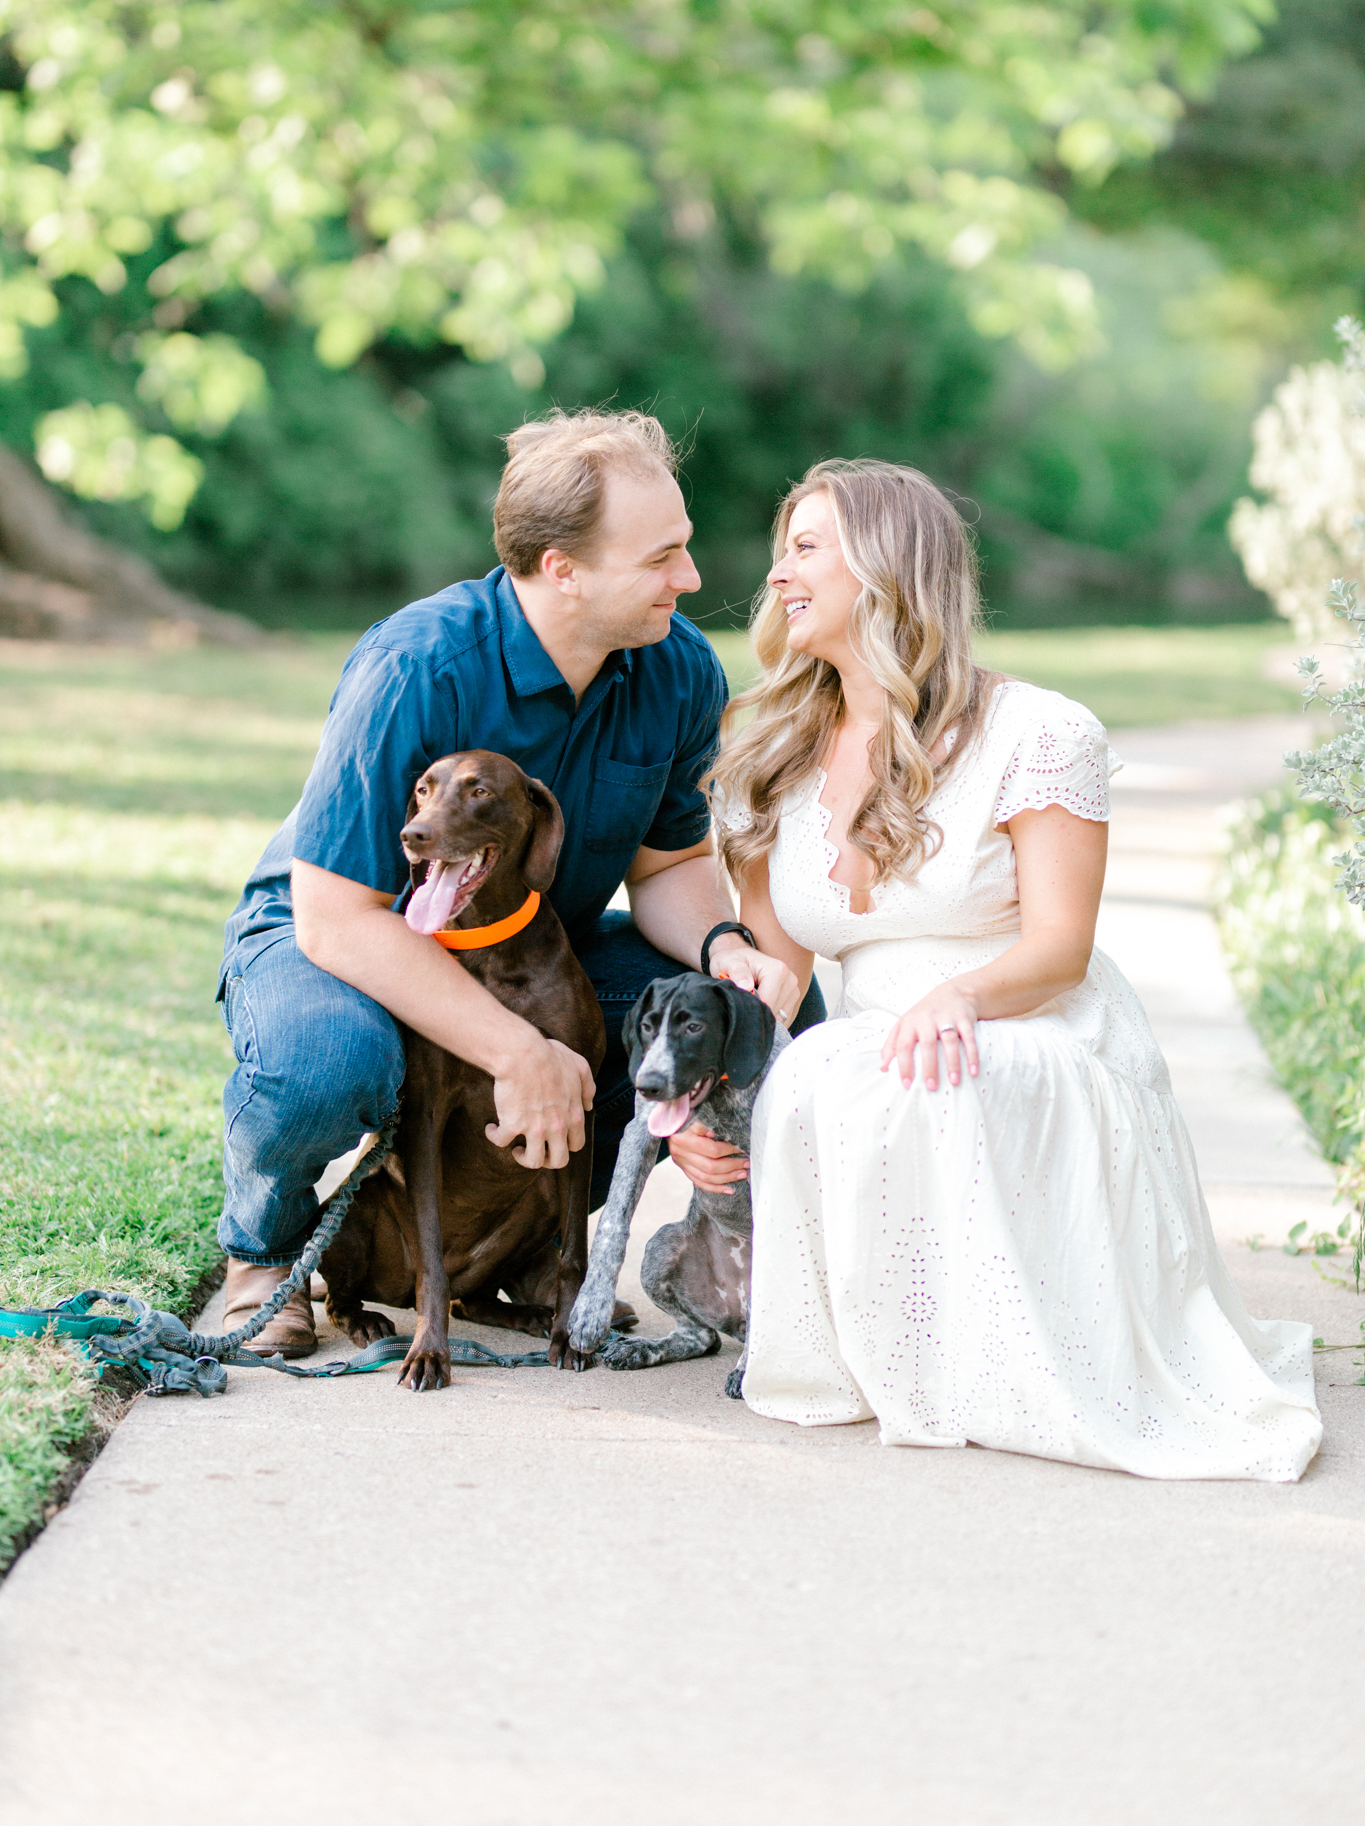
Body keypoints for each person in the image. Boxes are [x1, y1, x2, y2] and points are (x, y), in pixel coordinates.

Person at [674, 458, 1321, 1481]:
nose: (779, 575)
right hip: (876, 1039)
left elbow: (1060, 950)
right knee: (816, 1074)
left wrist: (960, 994)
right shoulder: (777, 751)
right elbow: (781, 974)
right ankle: (873, 1353)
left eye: (806, 547)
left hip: (1038, 1026)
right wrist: (707, 1104)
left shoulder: (1037, 732)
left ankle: (987, 1362)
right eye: (782, 550)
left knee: (922, 1071)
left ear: (885, 566)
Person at [215, 409, 818, 1358]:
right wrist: (516, 1051)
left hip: (535, 950)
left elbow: (666, 869)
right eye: (662, 557)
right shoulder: (415, 666)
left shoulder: (677, 669)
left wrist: (725, 947)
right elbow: (337, 920)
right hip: (337, 938)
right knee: (324, 1061)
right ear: (561, 569)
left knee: (748, 1006)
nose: (691, 580)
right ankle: (267, 1254)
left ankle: (554, 1244)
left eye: (686, 549)